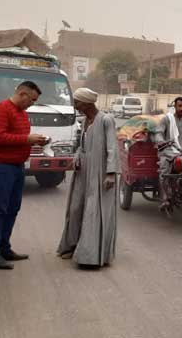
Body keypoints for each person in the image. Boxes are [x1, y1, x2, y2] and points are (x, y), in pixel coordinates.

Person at [0, 81, 48, 270]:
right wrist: (26, 139)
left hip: (17, 167)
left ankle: (5, 248)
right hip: (2, 167)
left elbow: (17, 139)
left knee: (13, 208)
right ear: (22, 94)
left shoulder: (21, 113)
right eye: (32, 100)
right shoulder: (1, 109)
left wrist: (34, 142)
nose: (32, 104)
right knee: (0, 210)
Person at [57, 88, 119, 267]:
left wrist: (110, 174)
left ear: (87, 103)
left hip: (100, 173)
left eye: (77, 102)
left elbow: (112, 148)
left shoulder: (106, 120)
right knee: (76, 208)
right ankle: (72, 245)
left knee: (94, 211)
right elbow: (81, 145)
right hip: (83, 172)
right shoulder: (84, 120)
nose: (75, 106)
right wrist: (76, 158)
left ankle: (89, 256)